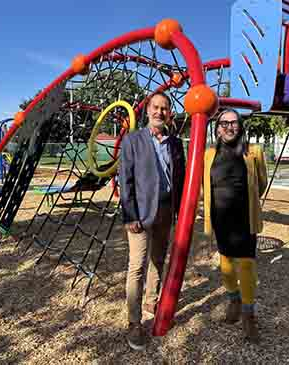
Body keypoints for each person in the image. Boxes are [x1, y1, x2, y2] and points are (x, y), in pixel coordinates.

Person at [118, 92, 186, 351]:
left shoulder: (175, 144)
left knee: (158, 260)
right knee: (137, 266)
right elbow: (125, 180)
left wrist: (180, 213)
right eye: (156, 107)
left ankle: (151, 301)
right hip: (141, 212)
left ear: (169, 113)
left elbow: (180, 178)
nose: (160, 112)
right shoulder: (133, 141)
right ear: (147, 111)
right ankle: (134, 323)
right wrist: (130, 215)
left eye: (165, 108)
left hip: (166, 210)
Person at [203, 108, 268, 343]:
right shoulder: (208, 155)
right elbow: (205, 186)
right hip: (221, 219)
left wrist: (247, 201)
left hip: (244, 219)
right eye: (224, 123)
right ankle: (233, 299)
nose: (229, 127)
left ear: (240, 127)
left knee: (247, 265)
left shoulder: (253, 152)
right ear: (217, 128)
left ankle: (249, 314)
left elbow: (261, 183)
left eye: (234, 123)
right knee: (226, 264)